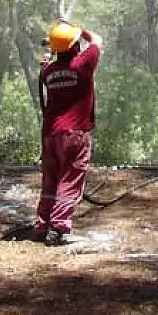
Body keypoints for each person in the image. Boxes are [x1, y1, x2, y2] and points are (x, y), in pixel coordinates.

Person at [34, 19, 102, 246]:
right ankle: (60, 228)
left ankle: (42, 224)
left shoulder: (48, 72)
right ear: (74, 46)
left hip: (50, 134)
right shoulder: (83, 63)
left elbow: (46, 67)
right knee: (69, 180)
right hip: (74, 134)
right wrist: (78, 27)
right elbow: (97, 40)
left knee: (51, 179)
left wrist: (55, 44)